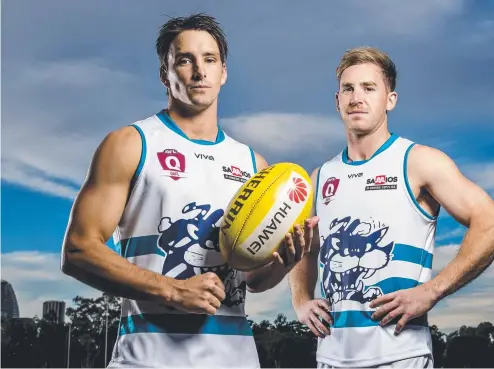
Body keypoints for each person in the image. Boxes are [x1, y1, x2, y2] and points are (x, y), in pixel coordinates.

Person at [61, 13, 317, 368]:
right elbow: (78, 251)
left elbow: (252, 280)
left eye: (209, 59)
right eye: (185, 60)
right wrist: (172, 290)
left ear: (223, 72)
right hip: (149, 358)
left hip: (235, 358)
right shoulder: (131, 144)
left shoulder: (253, 164)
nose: (199, 71)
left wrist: (282, 263)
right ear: (165, 75)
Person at [288, 46, 494, 368]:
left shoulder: (418, 162)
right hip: (331, 356)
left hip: (400, 355)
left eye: (369, 88)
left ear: (390, 99)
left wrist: (431, 291)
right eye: (348, 89)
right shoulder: (320, 177)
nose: (356, 97)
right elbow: (306, 246)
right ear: (337, 100)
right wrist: (300, 300)